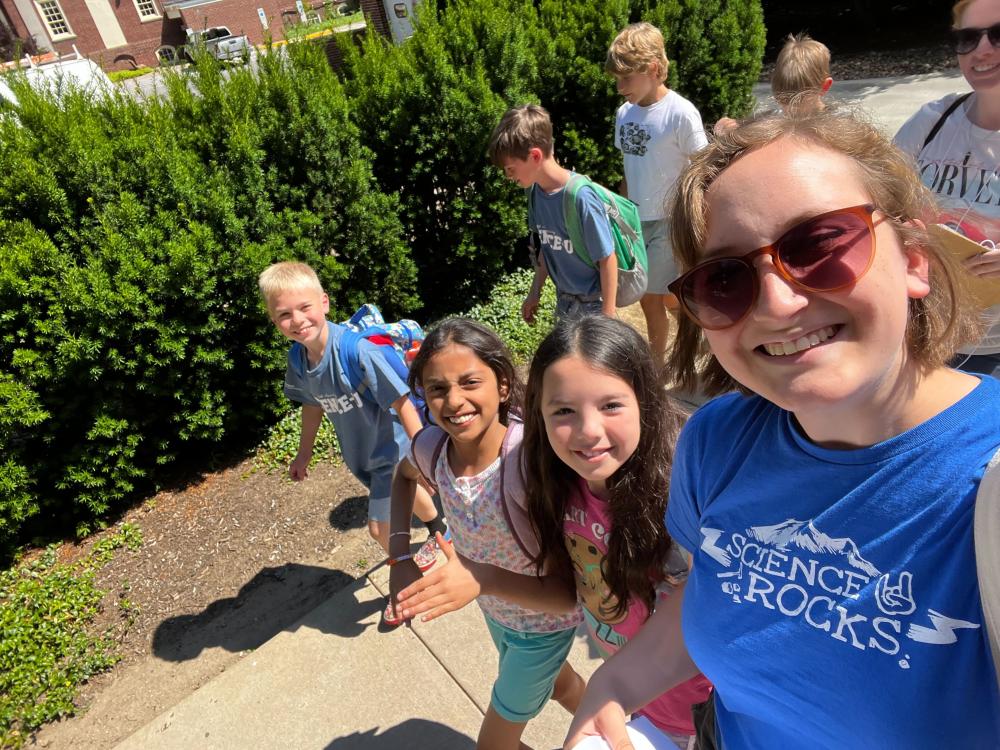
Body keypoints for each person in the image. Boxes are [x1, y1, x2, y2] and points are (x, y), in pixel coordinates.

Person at [565, 110, 1000, 749]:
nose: (777, 303)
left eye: (819, 244)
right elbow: (723, 592)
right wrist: (618, 685)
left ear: (914, 260)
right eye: (725, 278)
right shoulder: (717, 441)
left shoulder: (985, 480)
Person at [387, 318, 584, 750]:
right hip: (498, 616)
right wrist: (398, 557)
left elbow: (568, 596)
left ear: (503, 386)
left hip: (542, 626)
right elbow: (401, 477)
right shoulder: (432, 449)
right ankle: (615, 725)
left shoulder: (526, 464)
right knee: (559, 685)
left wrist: (483, 579)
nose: (453, 400)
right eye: (436, 388)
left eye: (470, 382)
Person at [516, 315, 711, 749]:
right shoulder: (556, 485)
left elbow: (709, 607)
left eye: (611, 405)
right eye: (563, 410)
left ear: (645, 401)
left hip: (704, 708)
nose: (588, 431)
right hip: (633, 703)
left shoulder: (684, 493)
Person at [258, 261, 447, 627]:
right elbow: (312, 404)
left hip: (391, 451)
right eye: (284, 314)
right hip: (362, 453)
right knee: (409, 495)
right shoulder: (299, 359)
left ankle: (409, 586)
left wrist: (421, 450)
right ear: (274, 320)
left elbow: (403, 402)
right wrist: (303, 451)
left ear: (324, 302)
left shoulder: (358, 352)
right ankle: (442, 531)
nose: (297, 320)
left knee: (380, 529)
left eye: (305, 307)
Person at [894, 0, 1000, 379]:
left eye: (997, 34)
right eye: (968, 38)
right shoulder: (931, 122)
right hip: (922, 329)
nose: (982, 49)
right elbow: (878, 198)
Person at [606, 22, 707, 362]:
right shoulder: (625, 113)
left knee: (651, 297)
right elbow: (629, 170)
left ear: (652, 69)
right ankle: (699, 337)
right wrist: (619, 213)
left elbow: (702, 167)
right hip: (635, 221)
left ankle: (656, 368)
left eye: (626, 78)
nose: (620, 87)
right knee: (666, 299)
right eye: (617, 79)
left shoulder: (680, 113)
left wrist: (696, 218)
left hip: (669, 220)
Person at [488, 104, 619, 322]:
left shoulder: (581, 198)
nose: (508, 176)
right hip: (565, 304)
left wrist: (608, 318)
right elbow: (548, 245)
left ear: (535, 156)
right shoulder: (536, 194)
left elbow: (607, 259)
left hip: (594, 307)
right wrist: (534, 291)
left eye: (510, 169)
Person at [714, 32, 832, 135]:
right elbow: (756, 122)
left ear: (824, 87)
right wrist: (732, 125)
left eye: (797, 101)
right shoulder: (778, 115)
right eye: (782, 101)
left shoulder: (836, 121)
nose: (790, 110)